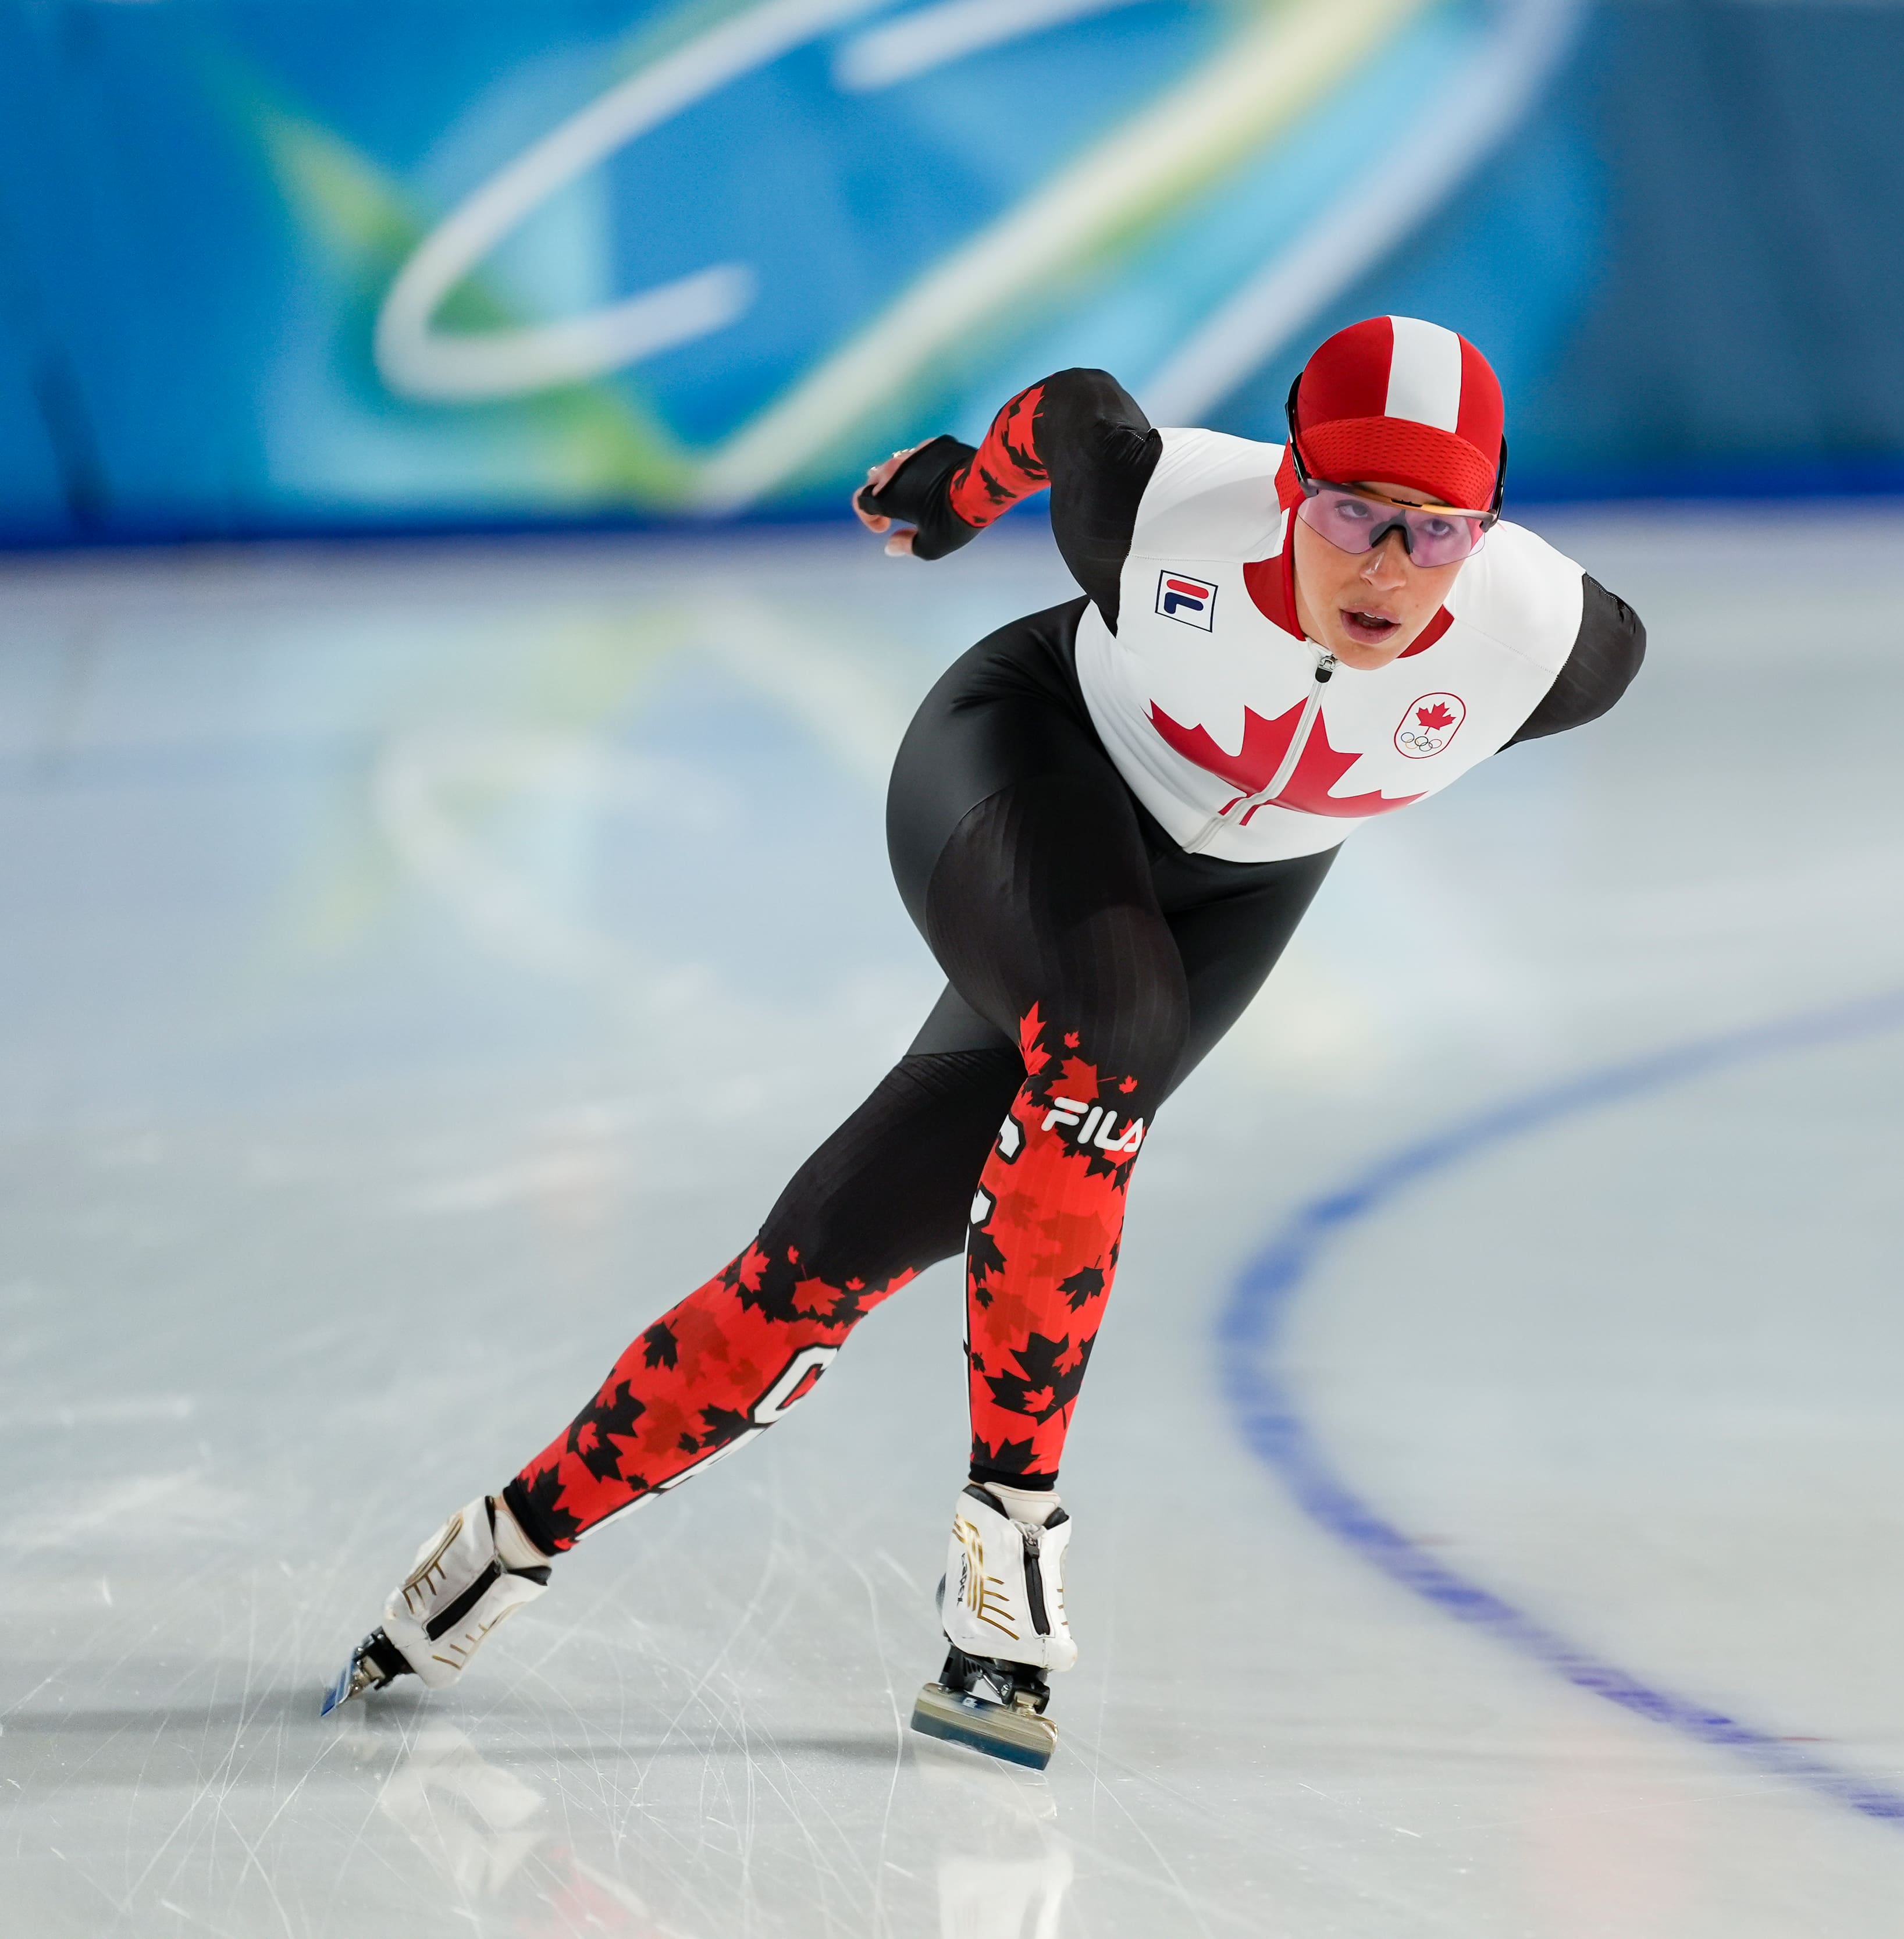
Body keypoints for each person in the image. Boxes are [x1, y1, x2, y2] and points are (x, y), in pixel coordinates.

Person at [322, 316, 1646, 1764]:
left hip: (1233, 896)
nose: (1386, 565)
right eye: (1350, 511)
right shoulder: (1160, 516)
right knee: (1111, 1023)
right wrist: (952, 498)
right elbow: (1074, 407)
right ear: (1287, 482)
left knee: (839, 1246)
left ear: (1490, 527)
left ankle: (508, 1533)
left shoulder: (1559, 649)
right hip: (1026, 761)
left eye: (1435, 531)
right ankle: (1009, 1544)